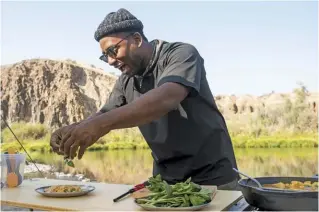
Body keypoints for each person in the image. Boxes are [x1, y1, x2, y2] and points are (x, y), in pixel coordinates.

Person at [50, 8, 240, 190]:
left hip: (214, 179)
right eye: (104, 56)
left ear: (137, 39)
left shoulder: (181, 54)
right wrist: (74, 131)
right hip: (166, 183)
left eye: (112, 51)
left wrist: (100, 125)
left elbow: (167, 98)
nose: (110, 61)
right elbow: (105, 114)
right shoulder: (125, 81)